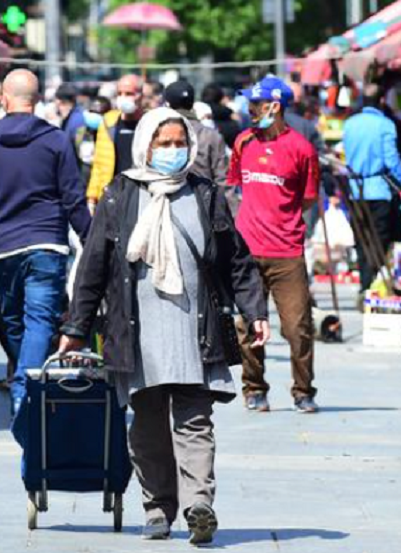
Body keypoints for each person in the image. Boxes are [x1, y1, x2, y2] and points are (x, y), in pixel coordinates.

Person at [59, 107, 270, 544]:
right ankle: (157, 509)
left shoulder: (206, 194)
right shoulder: (121, 194)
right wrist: (76, 326)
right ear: (145, 145)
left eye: (179, 143)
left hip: (196, 330)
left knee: (195, 420)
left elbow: (236, 260)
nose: (173, 151)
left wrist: (256, 311)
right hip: (137, 333)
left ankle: (199, 505)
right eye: (164, 143)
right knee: (148, 425)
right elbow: (92, 268)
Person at [0, 69, 91, 422]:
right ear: (36, 101)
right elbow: (73, 197)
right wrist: (91, 237)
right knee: (37, 322)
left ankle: (23, 389)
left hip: (1, 245)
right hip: (47, 243)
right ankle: (27, 386)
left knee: (15, 320)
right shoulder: (55, 141)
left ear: (4, 98)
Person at [226, 76, 322, 414]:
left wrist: (282, 218)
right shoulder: (242, 142)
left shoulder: (302, 148)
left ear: (275, 106)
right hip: (247, 251)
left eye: (256, 105)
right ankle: (254, 388)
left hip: (287, 252)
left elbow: (308, 197)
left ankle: (303, 390)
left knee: (297, 327)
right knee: (247, 326)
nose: (249, 111)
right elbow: (235, 186)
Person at [341, 84, 401, 292]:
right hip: (378, 190)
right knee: (380, 239)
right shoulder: (385, 125)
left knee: (361, 239)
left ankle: (365, 284)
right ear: (381, 101)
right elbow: (392, 160)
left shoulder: (349, 124)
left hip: (354, 190)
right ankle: (373, 283)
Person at [87, 74, 145, 205]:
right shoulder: (108, 122)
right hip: (112, 195)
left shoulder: (150, 122)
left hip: (141, 194)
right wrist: (92, 197)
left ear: (141, 95)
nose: (123, 98)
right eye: (120, 93)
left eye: (129, 93)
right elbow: (98, 163)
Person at [163, 80, 227, 186]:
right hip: (204, 199)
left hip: (165, 198)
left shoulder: (156, 132)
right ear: (192, 103)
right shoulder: (211, 135)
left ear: (167, 103)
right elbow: (223, 179)